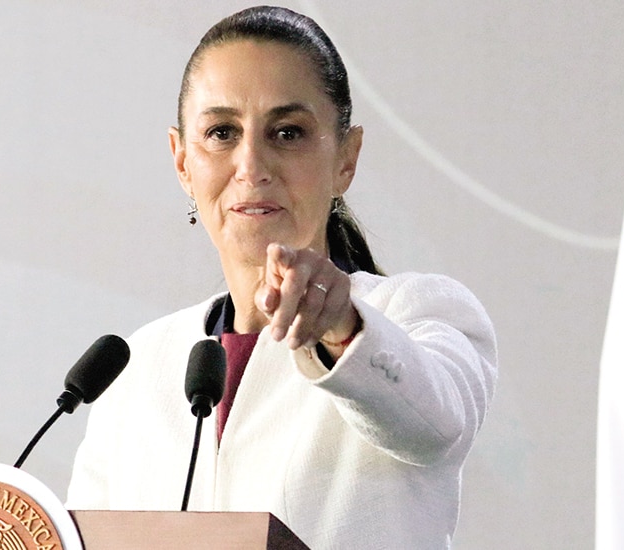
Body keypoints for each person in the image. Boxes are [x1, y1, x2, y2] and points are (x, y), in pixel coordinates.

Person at [66, 6, 498, 549]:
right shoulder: (133, 369)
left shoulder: (416, 312)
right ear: (182, 162)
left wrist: (342, 328)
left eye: (288, 132)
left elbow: (436, 426)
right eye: (221, 132)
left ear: (346, 157)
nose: (251, 164)